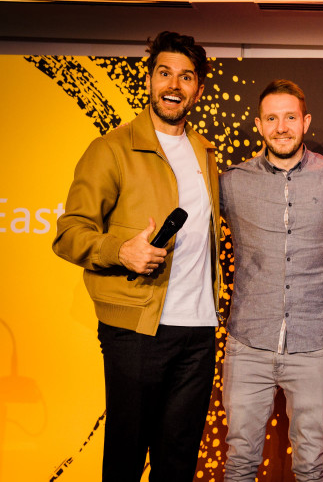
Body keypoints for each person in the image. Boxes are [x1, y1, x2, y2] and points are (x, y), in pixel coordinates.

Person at [52, 31, 220, 481]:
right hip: (135, 326)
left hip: (199, 331)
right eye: (164, 72)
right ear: (148, 80)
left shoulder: (207, 154)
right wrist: (120, 250)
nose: (174, 85)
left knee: (179, 460)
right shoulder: (111, 148)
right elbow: (68, 232)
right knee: (126, 455)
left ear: (198, 90)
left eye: (186, 77)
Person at [220, 79, 323, 481]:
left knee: (312, 461)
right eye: (272, 119)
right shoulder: (232, 182)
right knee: (240, 459)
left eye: (290, 117)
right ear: (260, 125)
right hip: (247, 343)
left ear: (305, 121)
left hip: (314, 344)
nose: (281, 127)